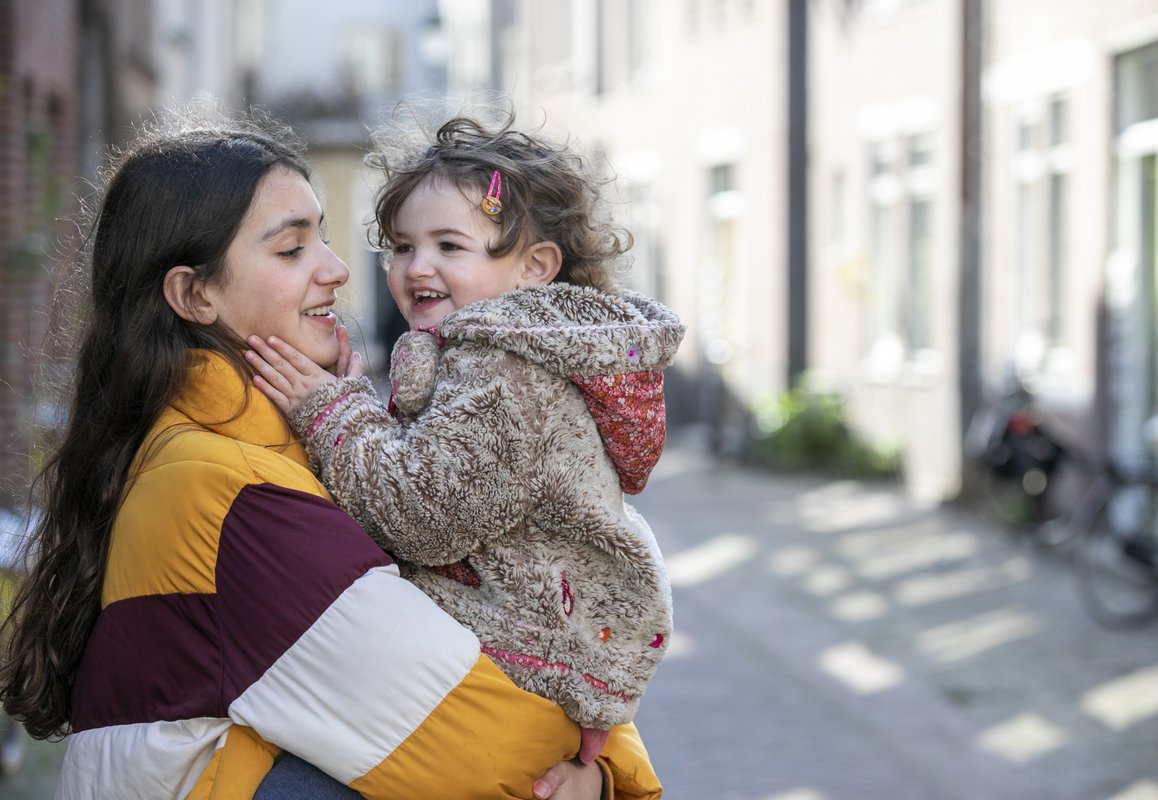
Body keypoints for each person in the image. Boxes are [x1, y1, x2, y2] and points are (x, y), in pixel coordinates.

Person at [0, 108, 662, 800]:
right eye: (292, 251)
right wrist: (607, 770)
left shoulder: (256, 444)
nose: (340, 269)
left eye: (322, 237)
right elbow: (470, 738)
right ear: (194, 294)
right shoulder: (226, 489)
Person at [246, 112, 685, 766]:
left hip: (527, 656)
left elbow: (423, 517)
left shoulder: (503, 378)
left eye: (450, 247)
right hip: (555, 650)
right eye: (401, 246)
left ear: (535, 267)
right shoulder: (487, 357)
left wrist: (333, 412)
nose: (417, 266)